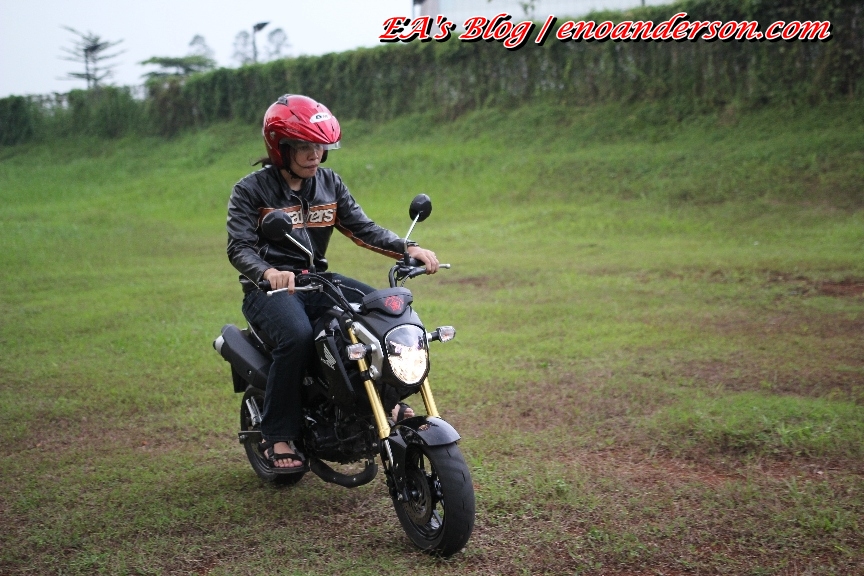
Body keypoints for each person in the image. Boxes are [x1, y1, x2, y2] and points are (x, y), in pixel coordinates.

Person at [226, 94, 439, 470]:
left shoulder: (329, 183)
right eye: (304, 147)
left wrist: (408, 248)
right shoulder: (250, 190)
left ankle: (385, 403)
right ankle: (277, 434)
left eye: (320, 146)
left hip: (317, 280)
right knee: (297, 336)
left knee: (384, 314)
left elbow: (362, 228)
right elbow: (239, 247)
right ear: (280, 147)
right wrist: (268, 273)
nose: (315, 155)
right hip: (268, 290)